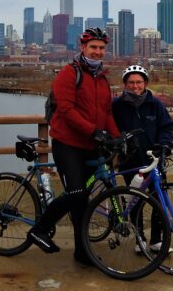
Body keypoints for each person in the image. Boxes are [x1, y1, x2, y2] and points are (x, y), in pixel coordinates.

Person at [27, 27, 120, 266]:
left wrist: (116, 138)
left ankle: (82, 251)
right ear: (83, 48)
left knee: (83, 200)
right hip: (67, 144)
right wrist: (93, 131)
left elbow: (107, 113)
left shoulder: (102, 79)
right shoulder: (69, 74)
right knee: (77, 193)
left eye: (101, 48)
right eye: (93, 48)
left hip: (91, 145)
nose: (98, 52)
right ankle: (40, 229)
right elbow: (66, 110)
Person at [111, 64, 173, 253]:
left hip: (154, 160)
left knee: (159, 201)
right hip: (130, 161)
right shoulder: (117, 105)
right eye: (131, 82)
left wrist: (164, 145)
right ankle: (139, 239)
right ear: (124, 84)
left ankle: (156, 240)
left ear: (145, 83)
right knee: (134, 202)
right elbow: (110, 128)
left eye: (139, 82)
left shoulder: (155, 104)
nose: (135, 86)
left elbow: (166, 127)